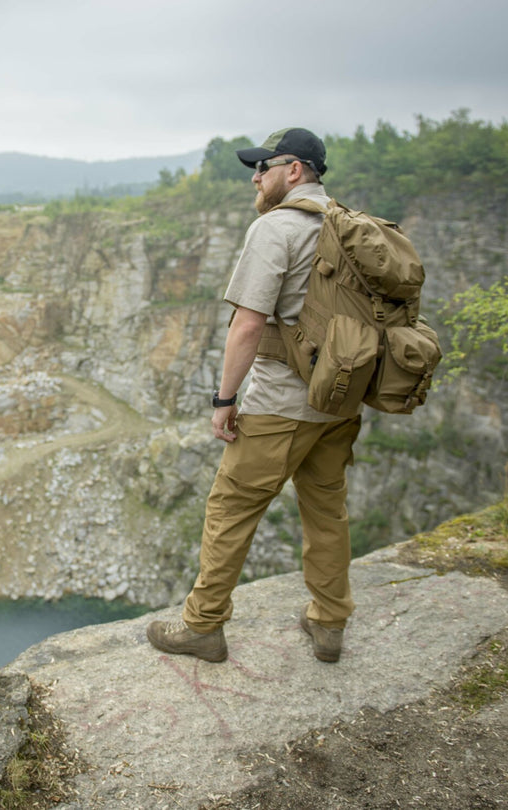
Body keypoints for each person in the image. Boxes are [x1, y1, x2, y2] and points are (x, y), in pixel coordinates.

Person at [146, 127, 361, 664]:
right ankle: (329, 623)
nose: (255, 176)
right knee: (326, 511)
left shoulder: (277, 228)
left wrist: (224, 400)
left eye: (264, 167)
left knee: (230, 508)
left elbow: (247, 324)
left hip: (280, 404)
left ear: (295, 171)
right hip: (338, 401)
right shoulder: (348, 225)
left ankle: (202, 627)